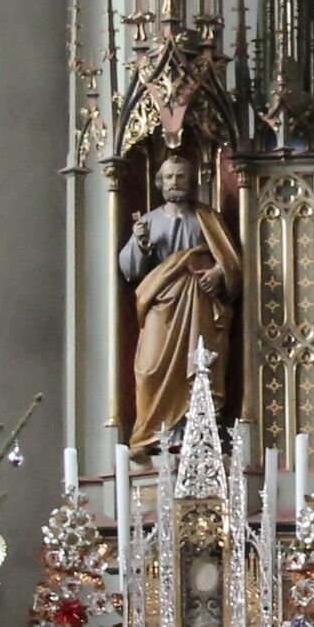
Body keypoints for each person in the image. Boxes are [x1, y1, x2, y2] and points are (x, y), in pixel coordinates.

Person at [117, 148, 239, 450]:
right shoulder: (148, 222)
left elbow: (232, 261)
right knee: (149, 369)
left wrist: (218, 273)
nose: (175, 182)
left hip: (199, 306)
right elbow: (130, 271)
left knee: (199, 368)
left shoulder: (207, 219)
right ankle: (152, 434)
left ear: (191, 180)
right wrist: (140, 245)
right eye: (169, 177)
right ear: (160, 182)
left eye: (181, 176)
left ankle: (193, 434)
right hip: (161, 306)